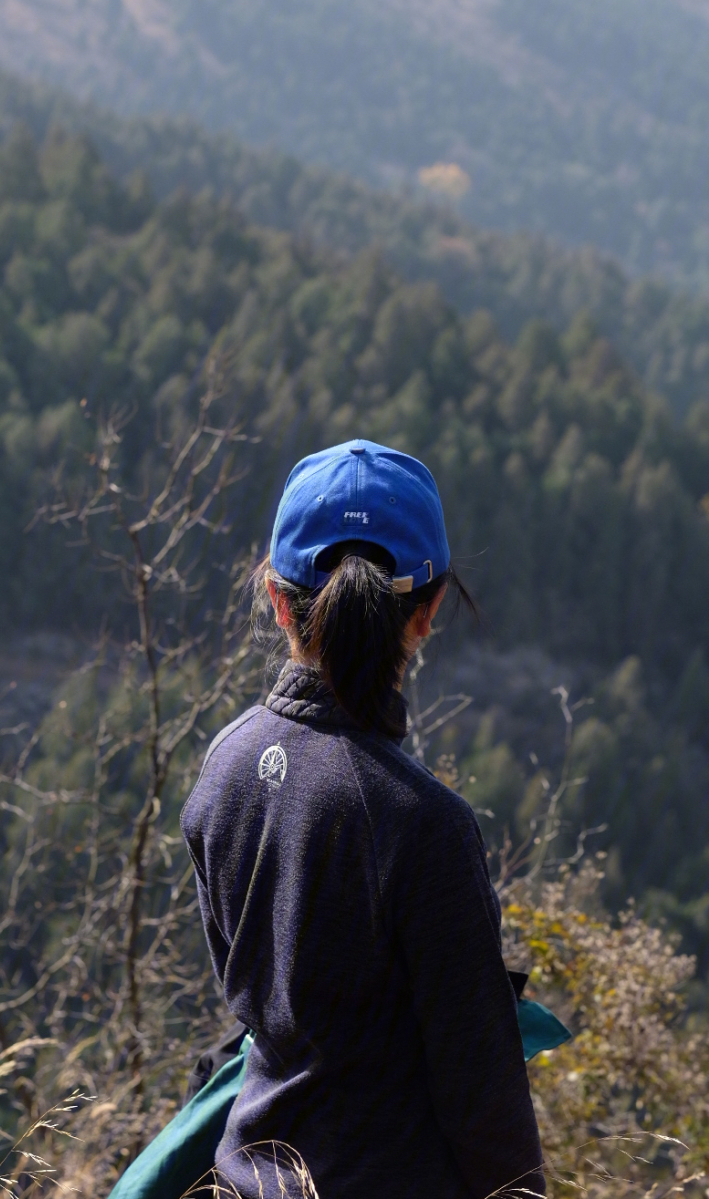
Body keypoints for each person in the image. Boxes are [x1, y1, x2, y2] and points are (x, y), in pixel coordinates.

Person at [179, 439, 544, 1199]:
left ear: (277, 598)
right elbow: (486, 1107)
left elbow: (255, 1006)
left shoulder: (223, 769)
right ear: (429, 610)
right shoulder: (425, 825)